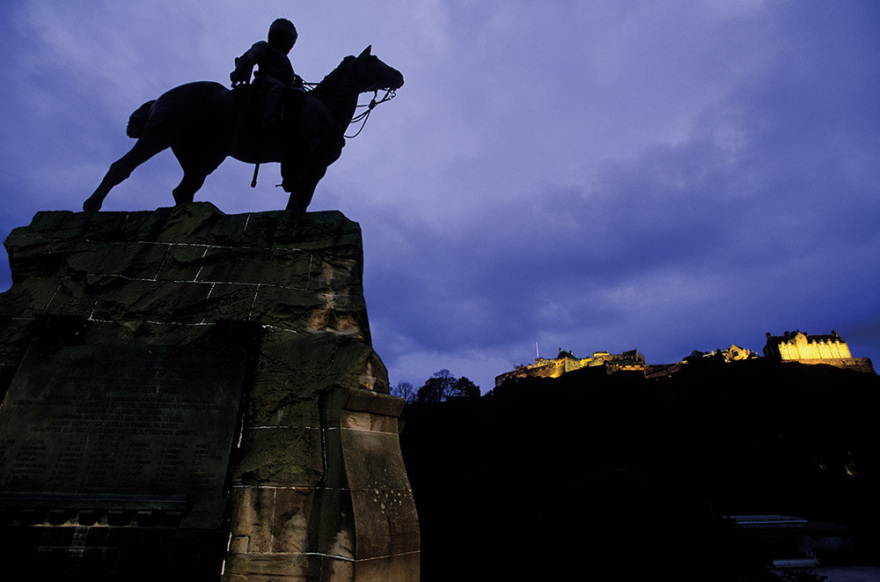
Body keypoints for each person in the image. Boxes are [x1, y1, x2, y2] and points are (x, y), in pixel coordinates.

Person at [230, 18, 303, 127]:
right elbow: (249, 58)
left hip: (282, 86)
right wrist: (240, 71)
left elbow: (287, 80)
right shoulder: (265, 47)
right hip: (264, 81)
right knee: (276, 86)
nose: (289, 47)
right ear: (278, 38)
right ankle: (269, 116)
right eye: (288, 42)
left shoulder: (285, 61)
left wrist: (296, 84)